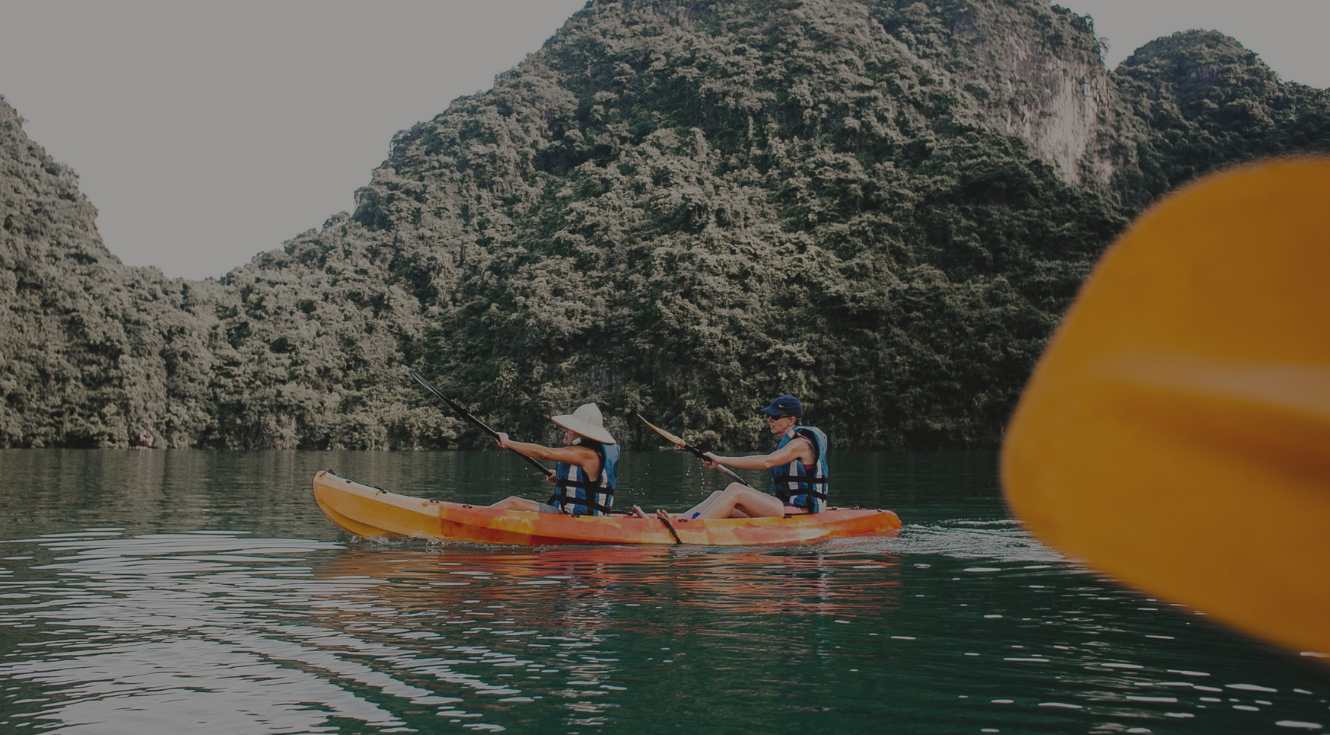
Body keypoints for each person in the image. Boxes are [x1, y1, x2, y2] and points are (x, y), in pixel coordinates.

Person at [667, 395, 829, 520]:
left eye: (775, 416)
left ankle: (691, 530)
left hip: (803, 510)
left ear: (791, 420)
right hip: (785, 506)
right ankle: (678, 522)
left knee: (735, 490)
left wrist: (721, 459)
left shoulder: (800, 444)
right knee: (719, 495)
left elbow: (767, 462)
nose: (769, 420)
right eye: (769, 416)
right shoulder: (788, 443)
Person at [490, 403, 620, 515]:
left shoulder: (585, 453)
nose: (565, 429)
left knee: (513, 503)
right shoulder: (590, 453)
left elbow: (544, 453)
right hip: (574, 515)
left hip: (576, 519)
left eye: (569, 428)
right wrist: (560, 479)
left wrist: (508, 442)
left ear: (580, 432)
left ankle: (473, 519)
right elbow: (588, 486)